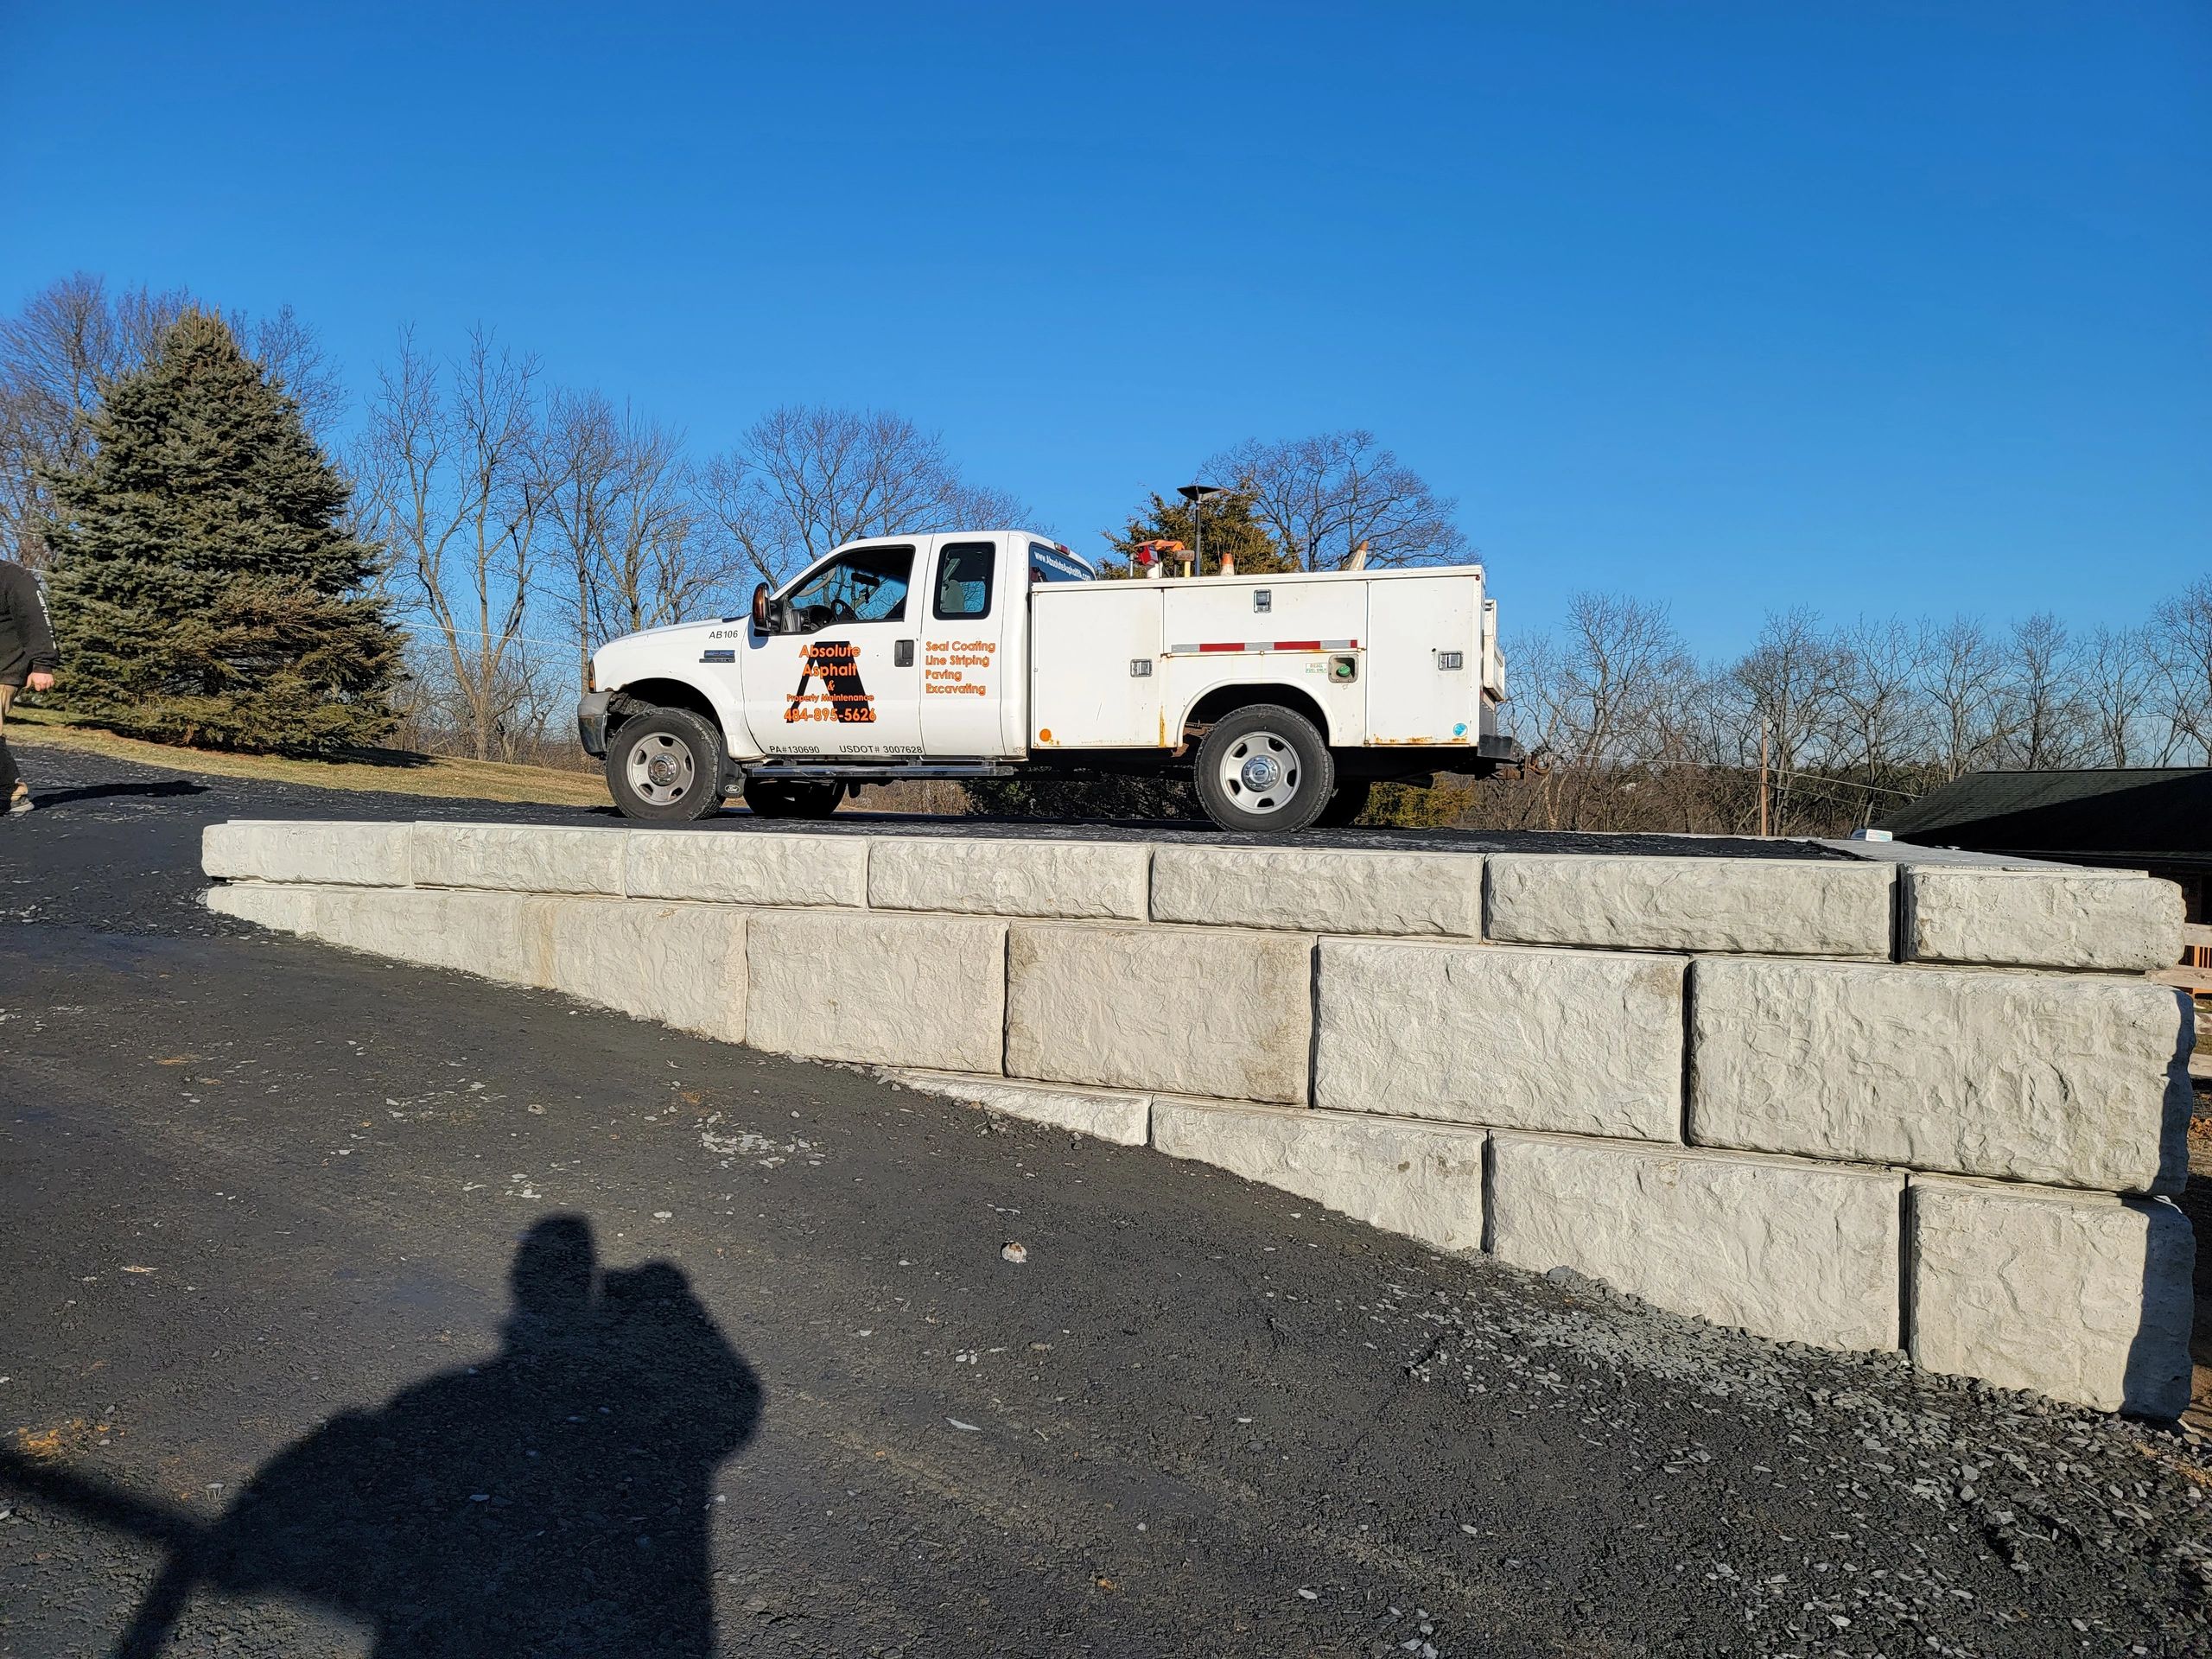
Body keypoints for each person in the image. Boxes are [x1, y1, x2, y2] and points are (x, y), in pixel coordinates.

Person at [0, 556, 59, 816]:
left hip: (4, 668)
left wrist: (42, 664)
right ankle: (11, 792)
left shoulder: (13, 577)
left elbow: (36, 618)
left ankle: (12, 793)